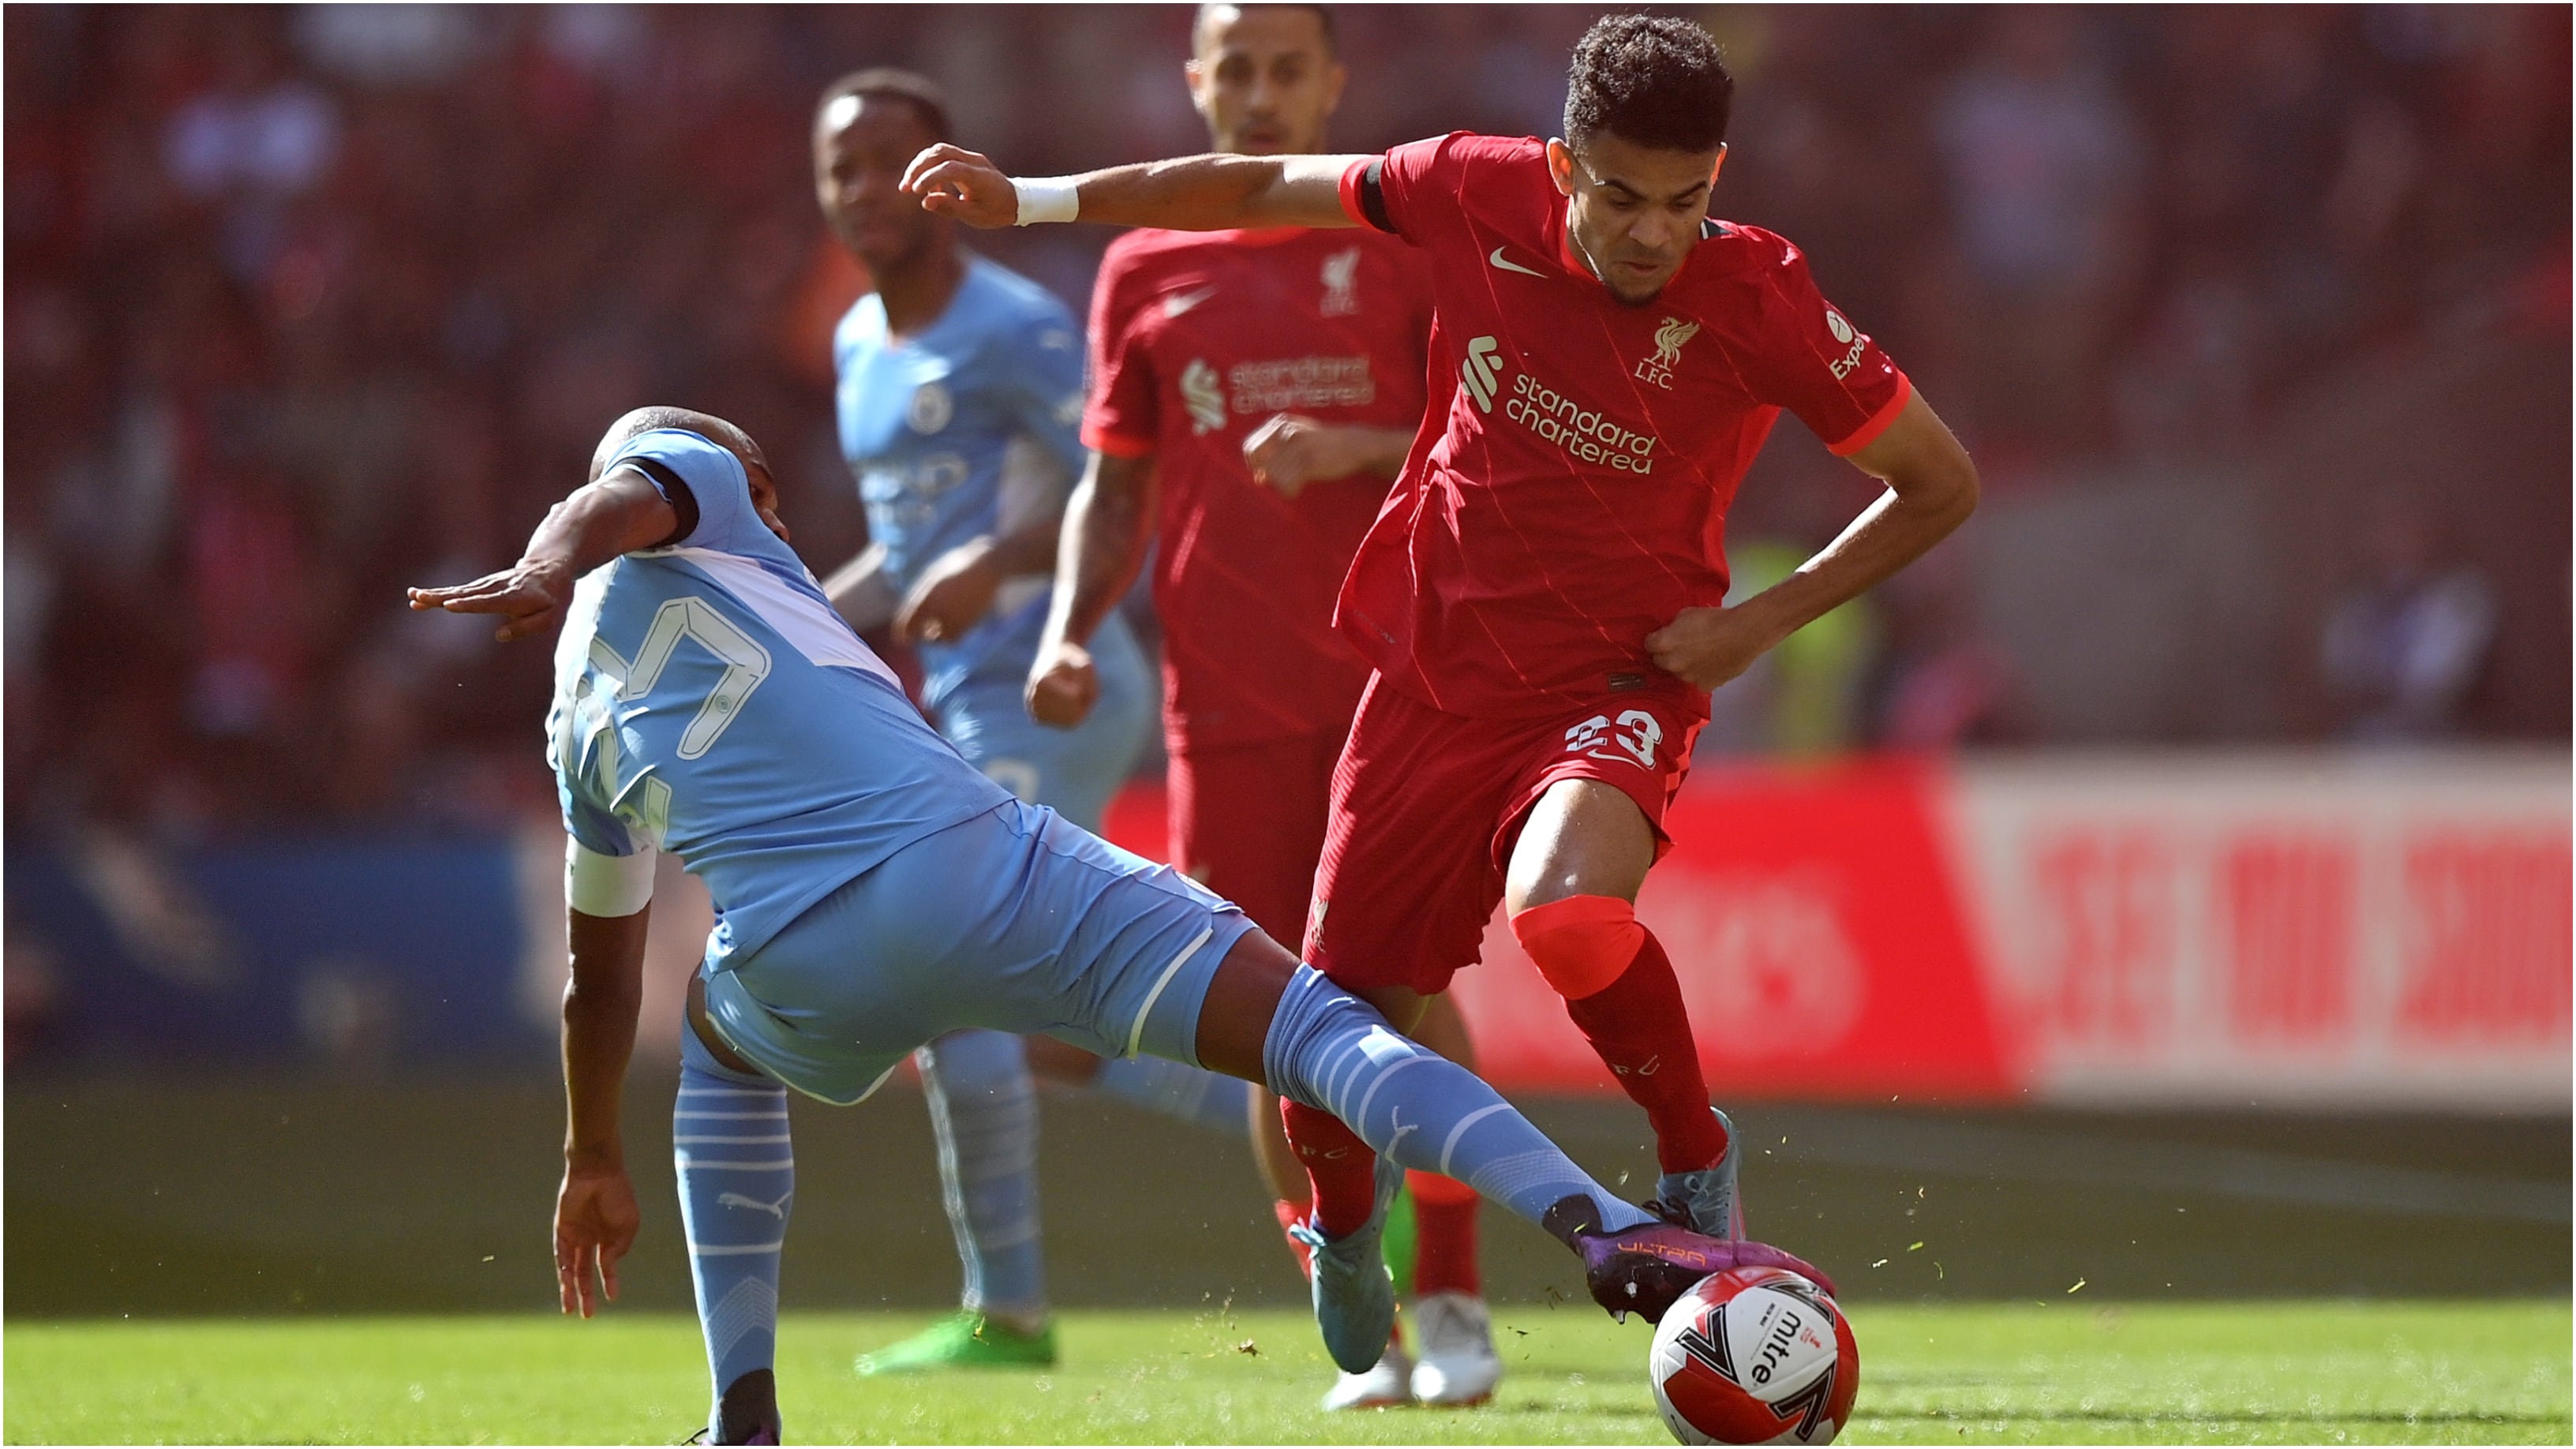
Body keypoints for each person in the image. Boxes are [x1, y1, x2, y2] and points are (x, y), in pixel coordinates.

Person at [406, 407, 1829, 1446]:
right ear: (759, 495)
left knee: (716, 1042)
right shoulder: (714, 489)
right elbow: (628, 488)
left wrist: (593, 1156)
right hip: (971, 865)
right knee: (1317, 1029)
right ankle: (1611, 1229)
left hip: (798, 966)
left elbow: (603, 984)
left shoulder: (572, 724)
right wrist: (545, 558)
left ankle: (742, 1416)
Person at [905, 10, 1978, 1309]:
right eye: (1625, 198)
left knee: (1571, 914)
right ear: (1565, 164)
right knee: (1328, 1032)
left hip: (1614, 678)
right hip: (1431, 676)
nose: (1654, 234)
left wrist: (1759, 619)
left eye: (1686, 202)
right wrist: (1030, 198)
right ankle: (1343, 1239)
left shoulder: (1757, 293)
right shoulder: (1474, 189)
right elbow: (1255, 189)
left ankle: (1696, 1163)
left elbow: (1936, 482)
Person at [1022, 2, 1494, 1410]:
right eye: (1238, 67)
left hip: (1387, 687)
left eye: (1291, 67)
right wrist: (1066, 629)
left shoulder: (1394, 233)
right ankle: (1362, 1320)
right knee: (1265, 1017)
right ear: (1196, 82)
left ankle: (1460, 1301)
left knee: (1400, 998)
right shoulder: (1144, 260)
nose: (1263, 91)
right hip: (1220, 700)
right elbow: (1115, 478)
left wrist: (1353, 440)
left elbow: (1487, 431)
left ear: (1334, 82)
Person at [807, 69, 1250, 1376]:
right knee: (1053, 1025)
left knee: (961, 985)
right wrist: (796, 618)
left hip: (1059, 683)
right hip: (959, 704)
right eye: (839, 166)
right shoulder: (855, 345)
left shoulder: (1015, 324)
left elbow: (1122, 481)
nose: (861, 188)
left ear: (941, 173)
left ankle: (1008, 1315)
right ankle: (1344, 1137)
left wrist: (996, 575)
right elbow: (907, 555)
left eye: (889, 160)